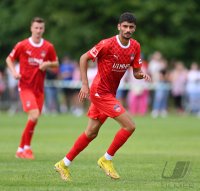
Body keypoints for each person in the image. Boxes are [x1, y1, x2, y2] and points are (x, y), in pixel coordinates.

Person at [54, 12, 151, 181]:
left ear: (134, 28)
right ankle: (106, 159)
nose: (128, 30)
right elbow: (84, 58)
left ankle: (63, 164)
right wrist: (84, 84)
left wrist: (141, 75)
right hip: (99, 92)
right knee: (130, 126)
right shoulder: (107, 44)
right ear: (119, 27)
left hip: (109, 93)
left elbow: (135, 72)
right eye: (125, 26)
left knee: (91, 133)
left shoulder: (135, 46)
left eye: (131, 27)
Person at [6, 17, 58, 159]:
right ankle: (27, 149)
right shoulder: (22, 45)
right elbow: (9, 59)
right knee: (34, 115)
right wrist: (14, 72)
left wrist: (47, 64)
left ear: (44, 29)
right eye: (36, 28)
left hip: (39, 89)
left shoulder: (48, 47)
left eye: (41, 28)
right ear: (31, 28)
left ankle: (20, 150)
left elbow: (56, 63)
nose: (38, 31)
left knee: (33, 118)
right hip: (25, 87)